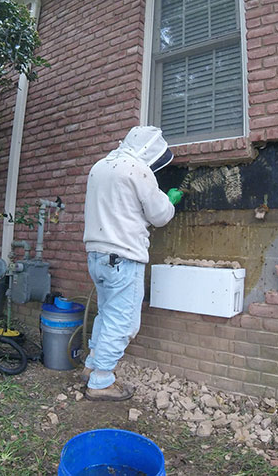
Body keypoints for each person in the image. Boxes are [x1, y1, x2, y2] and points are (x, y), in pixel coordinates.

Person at [81, 125, 183, 401]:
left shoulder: (100, 167)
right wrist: (170, 200)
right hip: (123, 258)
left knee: (106, 314)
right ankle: (101, 382)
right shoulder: (138, 169)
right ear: (149, 150)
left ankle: (91, 365)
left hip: (97, 256)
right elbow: (159, 215)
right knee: (123, 322)